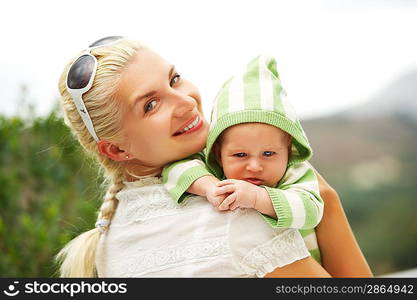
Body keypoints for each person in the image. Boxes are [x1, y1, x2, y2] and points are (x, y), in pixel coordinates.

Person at [55, 36, 372, 277]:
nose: (185, 103)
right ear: (116, 149)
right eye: (150, 105)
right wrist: (326, 202)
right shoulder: (236, 210)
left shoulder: (109, 243)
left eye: (174, 79)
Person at [162, 55, 323, 264]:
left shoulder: (295, 174)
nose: (254, 166)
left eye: (268, 154)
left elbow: (311, 211)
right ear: (218, 153)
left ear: (289, 149)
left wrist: (257, 197)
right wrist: (209, 187)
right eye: (240, 155)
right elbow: (174, 169)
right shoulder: (215, 171)